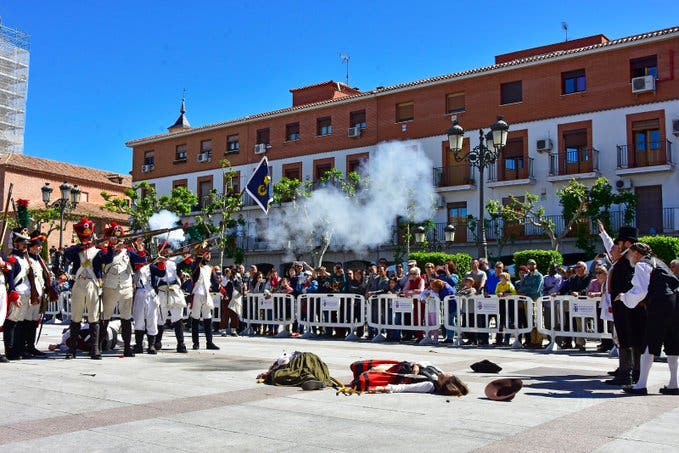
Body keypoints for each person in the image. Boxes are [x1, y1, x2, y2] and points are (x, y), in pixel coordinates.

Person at [618, 243, 679, 396]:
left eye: (630, 254)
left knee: (649, 343)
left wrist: (624, 297)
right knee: (673, 343)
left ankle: (641, 385)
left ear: (637, 253)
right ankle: (674, 384)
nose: (628, 257)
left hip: (659, 304)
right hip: (675, 303)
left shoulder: (641, 265)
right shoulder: (660, 263)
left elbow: (641, 290)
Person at [63, 218, 107, 360]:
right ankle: (72, 349)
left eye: (88, 236)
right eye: (84, 236)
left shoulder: (98, 252)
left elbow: (108, 259)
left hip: (93, 284)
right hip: (78, 284)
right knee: (76, 317)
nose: (87, 238)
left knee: (94, 317)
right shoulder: (77, 250)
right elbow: (67, 254)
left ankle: (95, 349)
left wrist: (112, 245)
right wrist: (82, 246)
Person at [100, 223, 144, 357]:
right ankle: (99, 346)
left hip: (126, 287)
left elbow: (141, 259)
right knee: (105, 317)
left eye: (120, 238)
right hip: (110, 286)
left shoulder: (128, 251)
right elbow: (105, 260)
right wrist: (113, 248)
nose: (119, 241)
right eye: (116, 238)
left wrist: (140, 248)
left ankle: (127, 347)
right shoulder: (105, 251)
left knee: (126, 319)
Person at [154, 242, 188, 353]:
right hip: (162, 291)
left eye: (168, 249)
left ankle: (181, 344)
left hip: (174, 291)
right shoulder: (155, 262)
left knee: (178, 318)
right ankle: (157, 342)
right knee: (160, 319)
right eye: (164, 250)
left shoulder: (175, 262)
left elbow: (187, 263)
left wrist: (189, 255)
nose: (166, 252)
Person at [190, 247, 220, 350]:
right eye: (207, 254)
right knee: (195, 319)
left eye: (209, 254)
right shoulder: (195, 265)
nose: (209, 256)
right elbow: (195, 273)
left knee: (208, 319)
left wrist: (218, 286)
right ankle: (196, 343)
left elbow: (215, 282)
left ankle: (209, 342)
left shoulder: (210, 268)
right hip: (197, 294)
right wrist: (199, 256)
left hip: (207, 295)